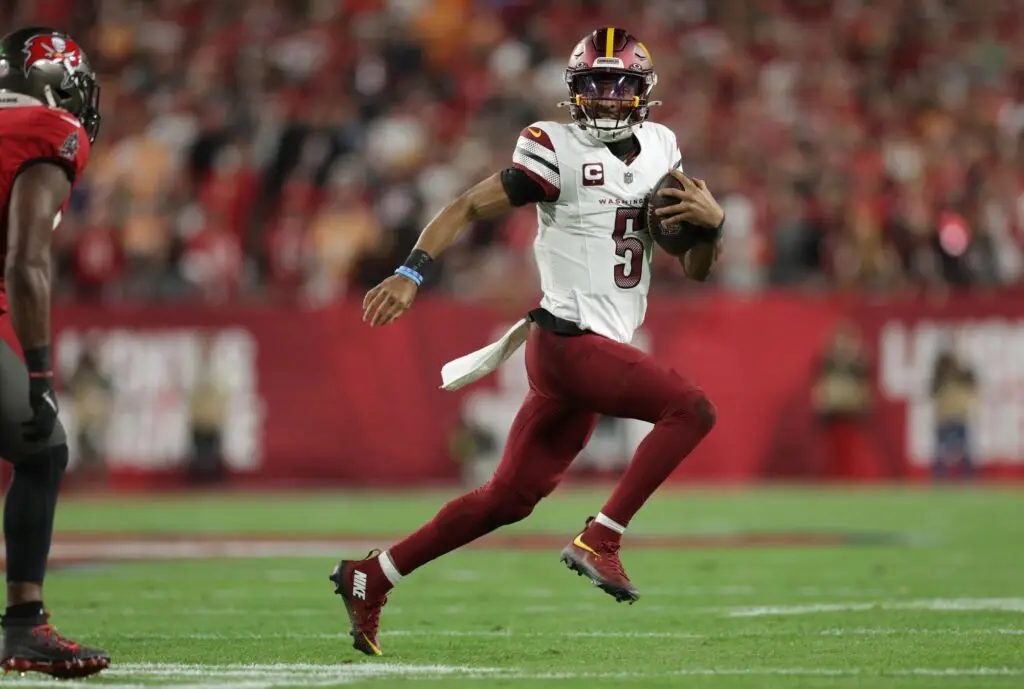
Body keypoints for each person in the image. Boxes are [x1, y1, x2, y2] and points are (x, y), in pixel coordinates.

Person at [331, 28, 724, 657]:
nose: (604, 97)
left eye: (618, 84)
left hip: (590, 348)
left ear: (641, 92)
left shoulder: (661, 149)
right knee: (693, 409)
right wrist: (411, 271)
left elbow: (697, 266)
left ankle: (372, 576)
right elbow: (465, 206)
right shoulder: (554, 147)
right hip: (569, 341)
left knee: (510, 498)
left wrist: (714, 227)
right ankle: (604, 537)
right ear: (573, 90)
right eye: (593, 84)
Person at [0, 27, 110, 677]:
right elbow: (26, 259)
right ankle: (23, 625)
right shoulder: (48, 126)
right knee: (43, 445)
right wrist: (41, 369)